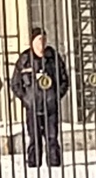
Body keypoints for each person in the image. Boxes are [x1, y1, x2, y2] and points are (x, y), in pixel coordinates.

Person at [10, 27, 70, 168]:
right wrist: (25, 98)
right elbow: (15, 83)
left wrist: (55, 96)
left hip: (50, 107)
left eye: (44, 39)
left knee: (52, 138)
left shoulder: (53, 58)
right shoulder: (25, 59)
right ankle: (33, 165)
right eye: (38, 40)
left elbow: (64, 80)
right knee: (34, 138)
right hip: (32, 107)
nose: (41, 43)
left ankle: (54, 165)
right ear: (32, 42)